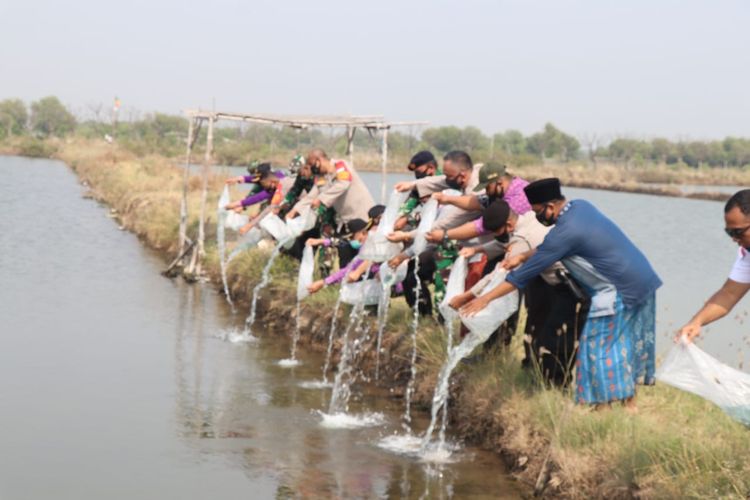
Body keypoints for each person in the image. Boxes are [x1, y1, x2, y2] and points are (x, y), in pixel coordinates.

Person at [461, 178, 662, 409]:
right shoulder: (580, 207)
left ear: (550, 206)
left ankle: (603, 407)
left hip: (616, 290)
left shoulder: (565, 232)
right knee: (622, 344)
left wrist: (484, 299)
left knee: (596, 348)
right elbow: (551, 245)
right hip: (641, 279)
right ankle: (627, 405)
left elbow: (521, 276)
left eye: (538, 211)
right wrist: (522, 255)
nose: (537, 216)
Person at [450, 200, 589, 385]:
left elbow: (500, 273)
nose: (495, 236)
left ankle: (552, 386)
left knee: (554, 339)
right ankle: (538, 373)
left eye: (496, 232)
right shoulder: (531, 217)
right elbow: (505, 244)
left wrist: (468, 296)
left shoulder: (521, 239)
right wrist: (477, 249)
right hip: (574, 279)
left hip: (569, 288)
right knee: (543, 328)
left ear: (508, 225)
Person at [388, 150, 485, 316]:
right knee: (414, 273)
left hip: (471, 247)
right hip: (438, 242)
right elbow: (441, 181)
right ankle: (425, 317)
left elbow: (444, 225)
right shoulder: (455, 181)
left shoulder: (470, 194)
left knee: (460, 289)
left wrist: (405, 236)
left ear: (461, 176)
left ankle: (446, 323)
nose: (446, 181)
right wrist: (411, 185)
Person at [678, 189, 750, 342]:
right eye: (729, 233)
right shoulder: (747, 253)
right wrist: (696, 322)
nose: (734, 239)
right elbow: (729, 294)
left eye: (738, 232)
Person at [287, 148, 374, 267]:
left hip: (363, 216)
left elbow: (343, 184)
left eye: (312, 165)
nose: (313, 170)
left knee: (366, 252)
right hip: (346, 221)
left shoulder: (340, 166)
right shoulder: (322, 177)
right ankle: (339, 281)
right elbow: (312, 196)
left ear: (319, 161)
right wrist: (295, 210)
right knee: (345, 253)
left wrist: (322, 199)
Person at [306, 218, 378, 294]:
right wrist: (320, 241)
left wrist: (323, 282)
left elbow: (349, 269)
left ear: (363, 233)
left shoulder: (369, 248)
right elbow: (340, 241)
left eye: (352, 237)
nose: (352, 240)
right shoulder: (361, 244)